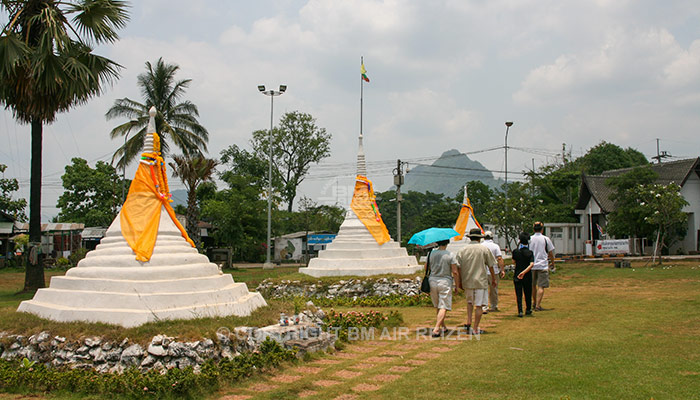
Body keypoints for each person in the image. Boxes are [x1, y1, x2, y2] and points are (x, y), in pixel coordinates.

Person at [455, 228, 497, 335]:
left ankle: (469, 322)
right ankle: (475, 328)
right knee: (479, 305)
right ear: (479, 238)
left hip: (467, 280)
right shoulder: (483, 249)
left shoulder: (463, 250)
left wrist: (459, 281)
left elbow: (458, 267)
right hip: (480, 280)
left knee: (469, 302)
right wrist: (493, 278)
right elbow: (491, 265)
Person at [427, 239, 459, 337]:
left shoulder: (431, 254)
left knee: (438, 305)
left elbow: (426, 268)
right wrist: (457, 285)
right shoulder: (450, 255)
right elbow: (455, 271)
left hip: (432, 280)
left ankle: (443, 326)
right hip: (445, 281)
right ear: (447, 243)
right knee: (444, 306)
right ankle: (436, 329)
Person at [530, 221, 555, 311]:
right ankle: (538, 305)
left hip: (531, 265)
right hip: (542, 265)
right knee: (541, 286)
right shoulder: (546, 239)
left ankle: (534, 302)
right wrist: (552, 263)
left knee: (533, 285)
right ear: (542, 229)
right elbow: (550, 253)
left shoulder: (530, 239)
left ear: (533, 229)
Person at [512, 232, 534, 317]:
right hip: (527, 275)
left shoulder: (516, 252)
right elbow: (531, 264)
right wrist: (524, 272)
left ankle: (520, 310)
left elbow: (514, 261)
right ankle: (528, 309)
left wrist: (520, 272)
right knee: (528, 292)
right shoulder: (530, 252)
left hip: (517, 274)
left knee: (519, 293)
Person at [481, 231, 505, 313]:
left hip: (482, 270)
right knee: (494, 289)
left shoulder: (481, 246)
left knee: (483, 289)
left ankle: (484, 306)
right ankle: (494, 305)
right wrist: (502, 270)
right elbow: (499, 258)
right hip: (493, 270)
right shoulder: (495, 246)